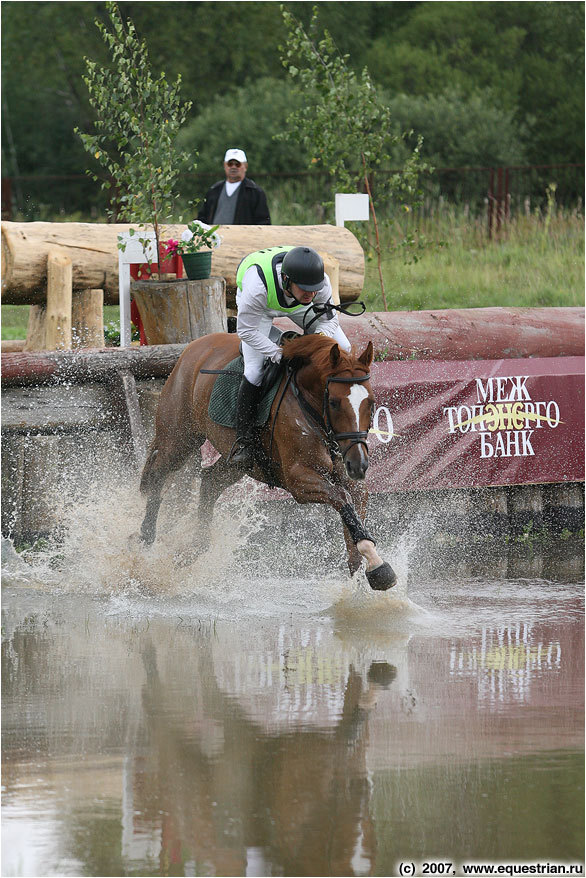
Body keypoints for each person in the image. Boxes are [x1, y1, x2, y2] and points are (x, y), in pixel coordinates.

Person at [231, 245, 352, 466]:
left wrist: (317, 340)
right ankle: (245, 443)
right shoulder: (256, 288)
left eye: (314, 289)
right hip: (262, 307)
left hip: (297, 306)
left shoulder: (318, 284)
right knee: (254, 371)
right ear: (286, 279)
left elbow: (330, 320)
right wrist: (276, 353)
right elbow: (246, 331)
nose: (311, 293)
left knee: (345, 346)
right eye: (305, 288)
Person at [197, 148, 271, 225]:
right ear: (224, 165)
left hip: (242, 236)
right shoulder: (214, 190)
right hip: (215, 236)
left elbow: (263, 222)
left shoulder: (255, 192)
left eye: (237, 164)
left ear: (245, 166)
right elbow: (203, 218)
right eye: (230, 164)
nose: (233, 167)